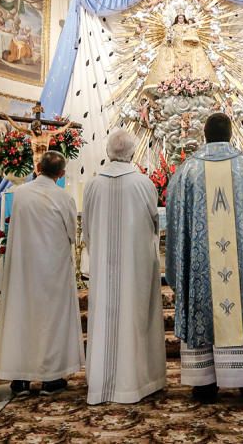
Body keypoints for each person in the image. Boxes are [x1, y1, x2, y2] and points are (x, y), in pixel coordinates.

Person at [165, 113, 243, 404]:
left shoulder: (186, 173)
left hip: (202, 274)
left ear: (204, 135)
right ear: (230, 135)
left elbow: (175, 229)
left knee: (204, 306)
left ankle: (204, 384)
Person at [82, 130, 166, 405]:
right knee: (136, 317)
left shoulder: (93, 185)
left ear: (108, 151)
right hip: (137, 266)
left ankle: (102, 383)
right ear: (133, 153)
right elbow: (156, 224)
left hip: (104, 265)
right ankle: (140, 382)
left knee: (106, 320)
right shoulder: (143, 183)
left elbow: (87, 230)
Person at [0, 151, 83, 395]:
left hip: (24, 267)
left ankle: (20, 379)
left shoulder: (20, 193)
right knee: (51, 321)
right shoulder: (64, 198)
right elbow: (71, 234)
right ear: (61, 174)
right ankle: (51, 379)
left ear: (37, 167)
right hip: (52, 269)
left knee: (22, 318)